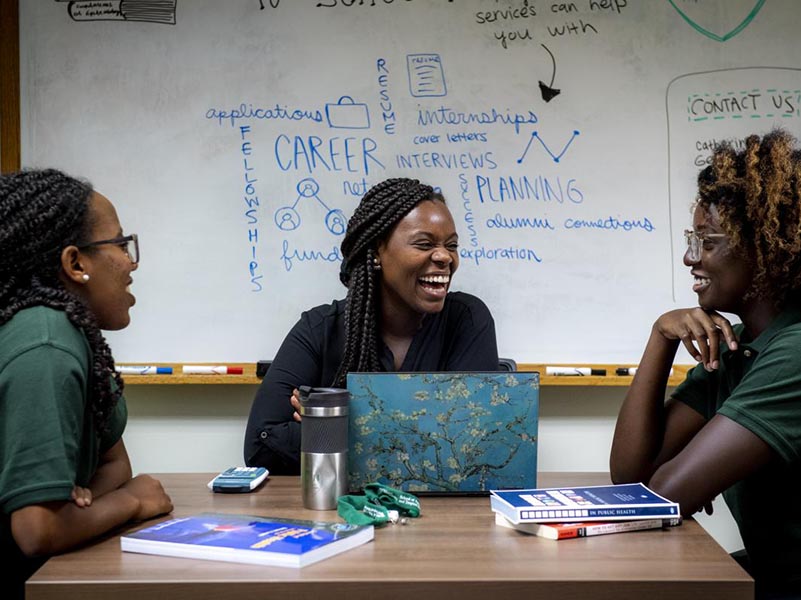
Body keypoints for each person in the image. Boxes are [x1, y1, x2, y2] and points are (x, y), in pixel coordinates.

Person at [610, 129, 801, 598]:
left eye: (709, 242)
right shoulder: (740, 346)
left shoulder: (794, 353)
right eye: (692, 239)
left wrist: (682, 481)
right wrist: (661, 336)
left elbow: (665, 495)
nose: (689, 257)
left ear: (767, 247)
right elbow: (632, 476)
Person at [245, 177, 499, 474]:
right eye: (424, 244)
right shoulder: (319, 329)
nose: (445, 256)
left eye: (452, 245)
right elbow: (261, 447)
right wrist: (418, 432)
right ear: (377, 250)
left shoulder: (466, 320)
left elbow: (474, 446)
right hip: (336, 513)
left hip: (444, 514)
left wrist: (334, 427)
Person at [0, 169, 173, 598]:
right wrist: (132, 501)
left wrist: (85, 504)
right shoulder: (46, 345)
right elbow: (36, 530)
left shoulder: (75, 334)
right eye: (119, 243)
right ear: (76, 264)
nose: (131, 262)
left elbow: (115, 466)